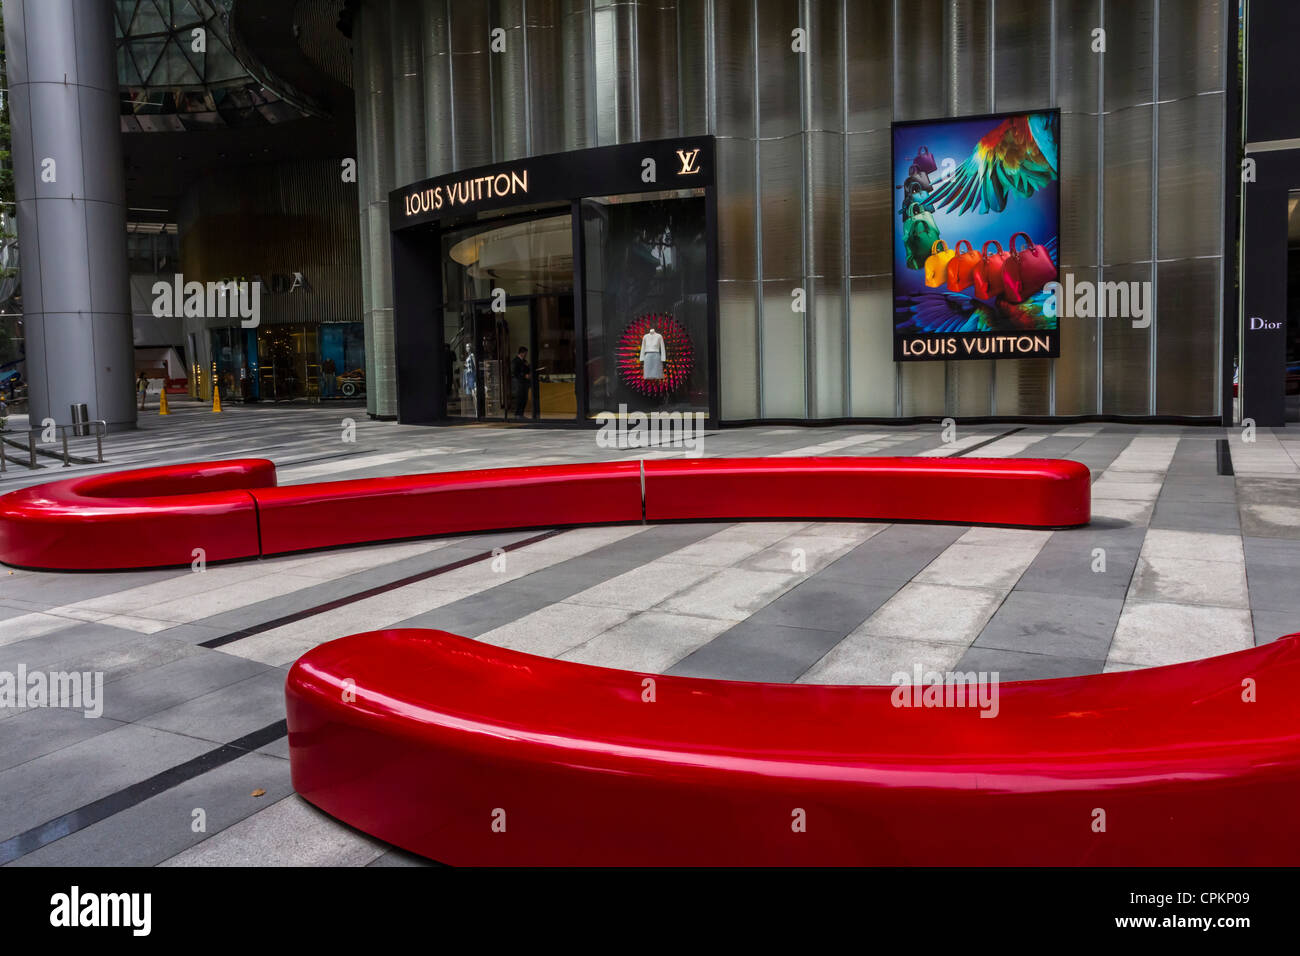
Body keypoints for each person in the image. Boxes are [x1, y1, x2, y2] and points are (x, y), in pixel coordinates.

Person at [510, 346, 530, 419]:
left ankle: (521, 413)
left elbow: (528, 369)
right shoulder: (515, 361)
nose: (525, 355)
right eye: (525, 353)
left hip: (524, 382)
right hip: (518, 382)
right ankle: (517, 414)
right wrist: (524, 375)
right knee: (519, 398)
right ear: (521, 353)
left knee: (525, 398)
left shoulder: (524, 361)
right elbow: (514, 372)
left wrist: (528, 368)